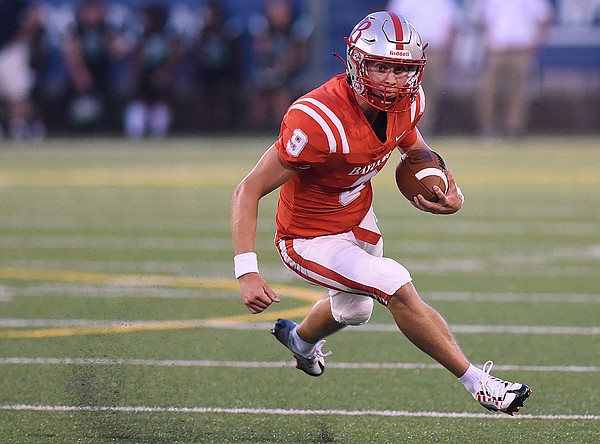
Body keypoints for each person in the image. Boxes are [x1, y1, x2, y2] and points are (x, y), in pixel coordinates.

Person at [231, 11, 532, 415]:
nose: (392, 80)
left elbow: (414, 147)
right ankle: (479, 383)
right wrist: (247, 270)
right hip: (308, 237)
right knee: (394, 283)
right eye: (382, 66)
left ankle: (300, 342)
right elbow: (248, 189)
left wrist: (452, 191)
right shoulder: (318, 120)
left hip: (358, 217)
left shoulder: (408, 102)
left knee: (355, 309)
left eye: (401, 69)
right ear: (357, 62)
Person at [470, 0, 554, 137]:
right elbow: (480, 20)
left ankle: (514, 128)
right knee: (490, 89)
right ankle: (487, 128)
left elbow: (545, 19)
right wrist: (486, 40)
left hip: (522, 49)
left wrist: (537, 40)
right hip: (497, 49)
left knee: (519, 90)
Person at [385, 0, 462, 134]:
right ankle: (403, 128)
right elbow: (393, 24)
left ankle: (425, 130)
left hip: (436, 50)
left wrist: (450, 51)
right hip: (411, 50)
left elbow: (452, 26)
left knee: (430, 92)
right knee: (406, 90)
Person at [246, 0, 313, 131]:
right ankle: (256, 133)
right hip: (267, 71)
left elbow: (299, 57)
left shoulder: (296, 28)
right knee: (259, 101)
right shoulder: (263, 27)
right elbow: (260, 51)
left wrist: (281, 71)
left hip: (290, 75)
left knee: (281, 99)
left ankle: (282, 131)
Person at [123, 3, 184, 139]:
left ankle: (158, 133)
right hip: (145, 76)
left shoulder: (168, 35)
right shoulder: (142, 35)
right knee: (138, 102)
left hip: (163, 75)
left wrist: (166, 72)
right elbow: (137, 59)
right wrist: (135, 76)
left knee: (162, 102)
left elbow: (176, 55)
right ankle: (135, 133)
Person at [0, 0, 45, 140]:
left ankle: (19, 128)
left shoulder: (16, 3)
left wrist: (22, 38)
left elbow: (35, 16)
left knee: (19, 93)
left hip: (12, 49)